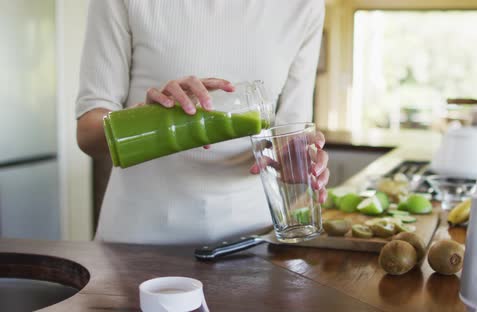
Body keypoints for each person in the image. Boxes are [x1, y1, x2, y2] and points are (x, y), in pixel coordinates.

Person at [76, 0, 329, 245]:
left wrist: (295, 161)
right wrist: (146, 122)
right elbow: (88, 136)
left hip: (251, 243)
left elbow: (290, 135)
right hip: (138, 240)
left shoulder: (305, 5)